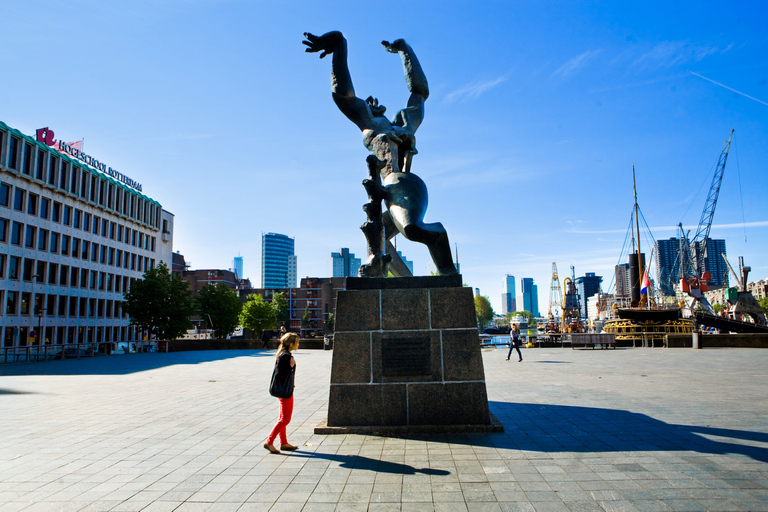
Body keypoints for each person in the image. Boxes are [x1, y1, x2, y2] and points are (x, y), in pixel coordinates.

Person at [303, 31, 457, 276]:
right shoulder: (368, 123)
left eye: (375, 104)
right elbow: (343, 95)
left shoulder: (401, 125)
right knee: (378, 235)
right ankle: (399, 280)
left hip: (403, 184)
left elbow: (419, 93)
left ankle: (443, 253)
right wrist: (339, 45)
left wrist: (405, 51)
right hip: (388, 187)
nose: (372, 104)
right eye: (369, 104)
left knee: (411, 229)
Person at [264, 332, 300, 454]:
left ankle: (283, 442)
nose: (298, 344)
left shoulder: (284, 353)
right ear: (291, 344)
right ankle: (269, 442)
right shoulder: (285, 356)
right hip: (285, 391)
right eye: (297, 342)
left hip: (286, 390)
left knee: (282, 417)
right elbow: (279, 374)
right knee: (285, 419)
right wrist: (291, 367)